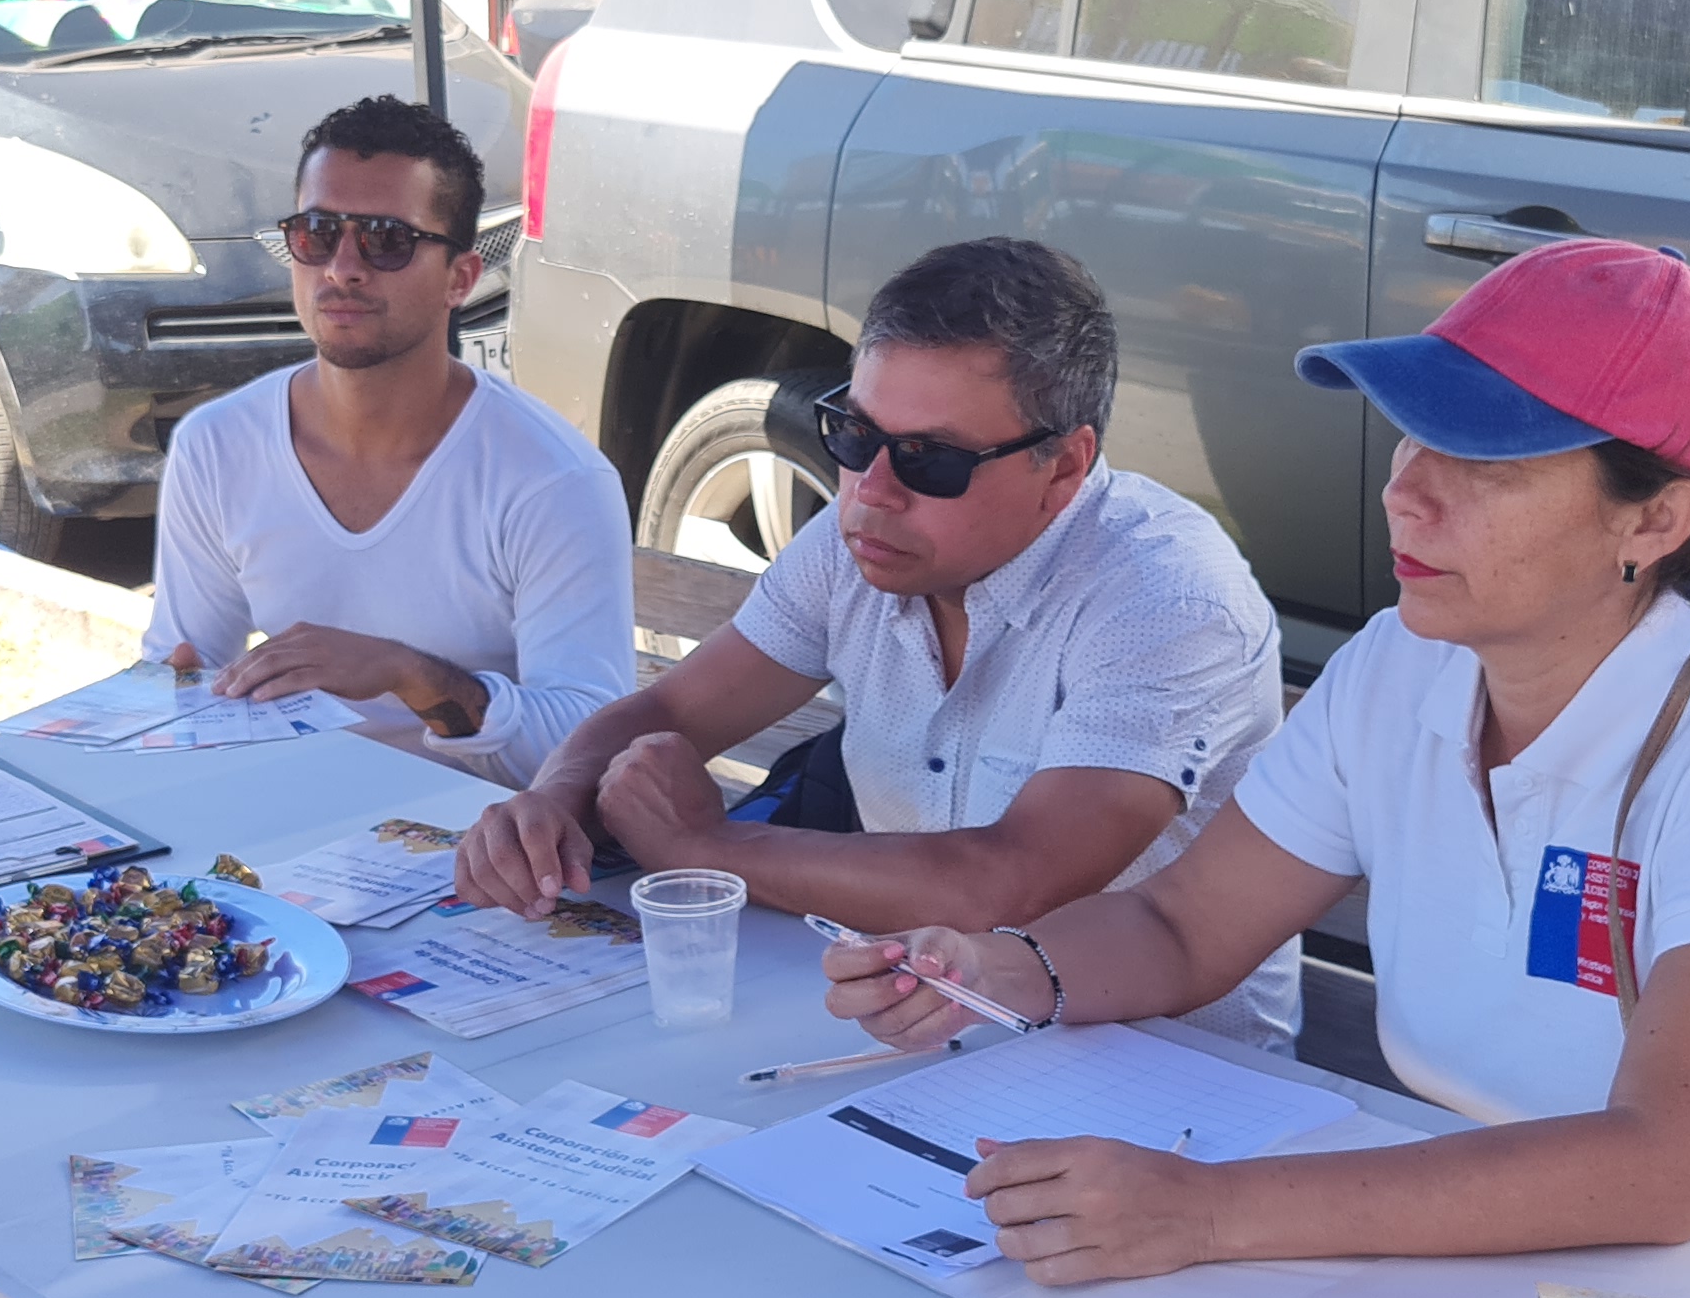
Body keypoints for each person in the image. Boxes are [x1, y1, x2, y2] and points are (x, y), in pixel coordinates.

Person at [822, 241, 1690, 1280]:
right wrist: (995, 969)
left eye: (1483, 461)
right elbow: (1183, 927)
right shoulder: (1401, 668)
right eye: (1411, 435)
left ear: (1655, 522)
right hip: (1501, 1271)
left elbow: (1667, 1165)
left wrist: (1205, 1212)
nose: (1404, 491)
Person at [458, 238, 1297, 1047]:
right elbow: (670, 709)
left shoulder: (1168, 599)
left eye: (931, 460)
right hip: (911, 1019)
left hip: (1156, 1073)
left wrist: (708, 849)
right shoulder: (859, 541)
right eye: (854, 437)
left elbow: (1011, 881)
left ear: (1066, 468)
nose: (870, 492)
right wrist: (550, 805)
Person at [146, 97, 633, 788]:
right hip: (285, 820)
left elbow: (590, 745)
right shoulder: (218, 445)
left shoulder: (552, 481)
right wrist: (168, 694)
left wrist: (409, 675)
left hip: (482, 854)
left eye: (386, 240)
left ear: (460, 279)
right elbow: (182, 666)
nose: (343, 268)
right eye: (316, 234)